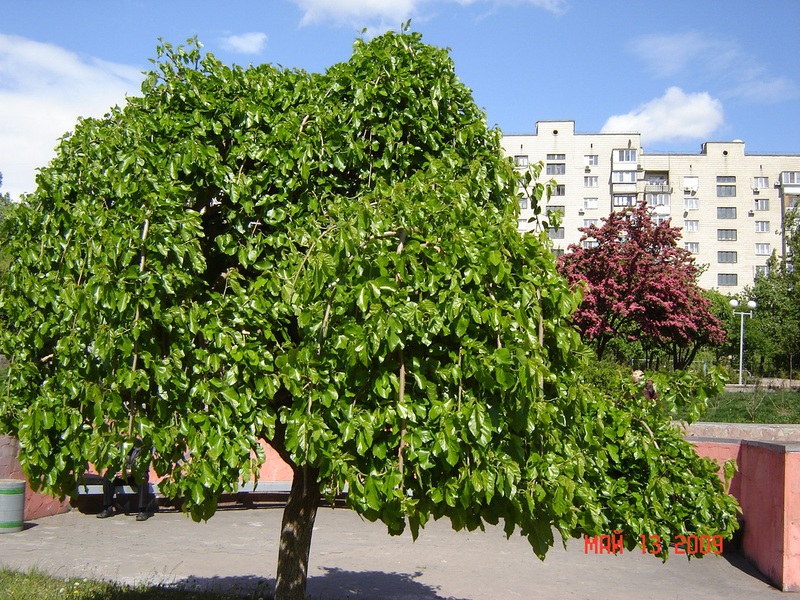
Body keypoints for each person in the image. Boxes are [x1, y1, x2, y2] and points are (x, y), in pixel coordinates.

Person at [97, 444, 152, 521]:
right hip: (120, 475)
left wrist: (130, 471)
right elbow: (112, 464)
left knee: (143, 478)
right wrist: (118, 472)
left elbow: (144, 467)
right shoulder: (117, 447)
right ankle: (107, 508)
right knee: (108, 476)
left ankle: (143, 510)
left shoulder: (142, 448)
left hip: (134, 476)